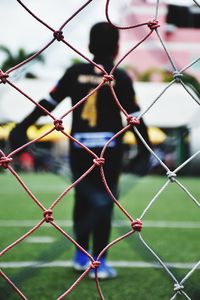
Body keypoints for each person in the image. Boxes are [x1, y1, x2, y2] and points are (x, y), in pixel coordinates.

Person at [9, 22, 151, 279]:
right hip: (110, 150)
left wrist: (22, 127)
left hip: (80, 148)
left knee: (83, 200)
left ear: (89, 46)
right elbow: (135, 117)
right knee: (106, 202)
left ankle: (80, 255)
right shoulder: (120, 76)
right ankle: (100, 261)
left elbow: (48, 103)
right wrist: (145, 149)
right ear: (118, 48)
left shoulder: (74, 72)